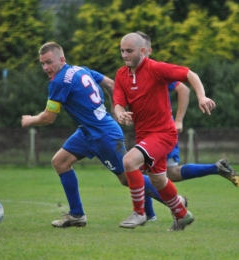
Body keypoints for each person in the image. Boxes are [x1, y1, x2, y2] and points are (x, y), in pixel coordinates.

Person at [21, 41, 182, 228]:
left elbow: (48, 118)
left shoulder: (58, 82)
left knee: (127, 178)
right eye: (43, 63)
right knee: (60, 162)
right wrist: (115, 109)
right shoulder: (80, 69)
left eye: (49, 62)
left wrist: (30, 120)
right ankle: (77, 215)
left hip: (103, 135)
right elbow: (110, 83)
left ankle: (176, 202)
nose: (46, 67)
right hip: (88, 131)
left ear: (62, 59)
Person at [113, 32, 216, 231]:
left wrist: (202, 97)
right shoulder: (121, 75)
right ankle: (182, 215)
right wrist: (120, 113)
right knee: (159, 180)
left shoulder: (156, 68)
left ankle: (139, 212)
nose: (125, 55)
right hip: (144, 135)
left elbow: (189, 74)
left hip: (163, 134)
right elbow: (118, 102)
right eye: (122, 51)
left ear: (143, 51)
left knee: (129, 161)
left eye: (129, 51)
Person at [136, 31, 239, 187]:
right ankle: (217, 168)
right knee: (172, 173)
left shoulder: (156, 70)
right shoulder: (130, 74)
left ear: (147, 50)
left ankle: (150, 211)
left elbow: (184, 89)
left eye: (140, 48)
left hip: (161, 129)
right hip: (147, 128)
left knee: (139, 169)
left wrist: (178, 121)